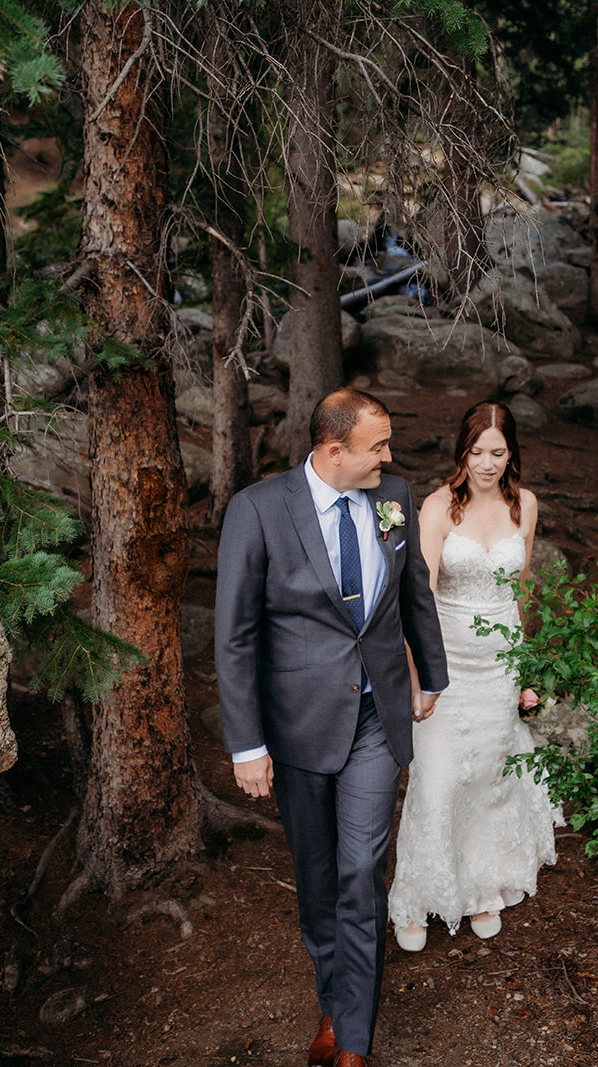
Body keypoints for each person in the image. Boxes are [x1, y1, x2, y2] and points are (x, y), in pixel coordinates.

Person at [215, 388, 449, 1067]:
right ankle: (335, 999)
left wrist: (431, 676)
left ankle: (352, 1041)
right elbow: (234, 635)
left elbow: (414, 591)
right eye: (378, 446)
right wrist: (247, 744)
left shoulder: (393, 495)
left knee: (361, 872)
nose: (389, 457)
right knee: (317, 878)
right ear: (334, 449)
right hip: (297, 727)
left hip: (376, 715)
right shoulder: (258, 509)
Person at [389, 401, 560, 952]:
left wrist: (525, 671)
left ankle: (483, 886)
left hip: (499, 668)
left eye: (498, 452)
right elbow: (417, 597)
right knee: (439, 779)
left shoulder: (524, 504)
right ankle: (419, 896)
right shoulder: (439, 507)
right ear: (462, 452)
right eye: (477, 452)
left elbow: (521, 589)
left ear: (512, 454)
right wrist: (418, 677)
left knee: (490, 777)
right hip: (448, 665)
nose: (487, 464)